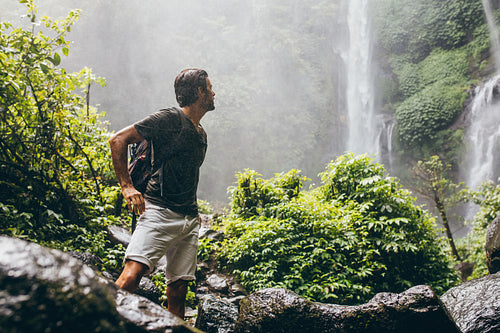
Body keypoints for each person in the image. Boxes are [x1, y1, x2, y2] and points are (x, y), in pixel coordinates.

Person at [109, 68, 215, 319]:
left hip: (188, 221)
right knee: (132, 275)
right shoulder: (170, 118)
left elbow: (186, 175)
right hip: (158, 212)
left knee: (178, 291)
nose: (213, 92)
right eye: (209, 88)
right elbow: (118, 139)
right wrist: (127, 187)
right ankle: (95, 322)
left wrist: (194, 211)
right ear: (199, 92)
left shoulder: (201, 133)